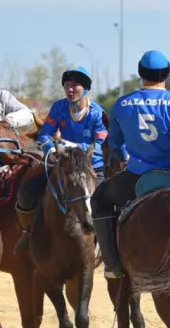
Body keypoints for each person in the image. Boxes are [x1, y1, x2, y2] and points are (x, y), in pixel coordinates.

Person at [91, 50, 170, 278]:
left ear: (141, 73)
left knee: (99, 198)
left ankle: (112, 265)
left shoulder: (123, 104)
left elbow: (115, 144)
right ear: (166, 74)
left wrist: (123, 157)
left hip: (138, 176)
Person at [14, 66, 108, 253]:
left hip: (90, 169)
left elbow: (99, 146)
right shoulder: (59, 108)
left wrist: (71, 148)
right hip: (62, 167)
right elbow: (44, 136)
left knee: (105, 203)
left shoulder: (97, 113)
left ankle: (107, 246)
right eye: (67, 85)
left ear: (86, 89)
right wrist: (52, 149)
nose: (70, 89)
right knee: (26, 193)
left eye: (75, 86)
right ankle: (27, 233)